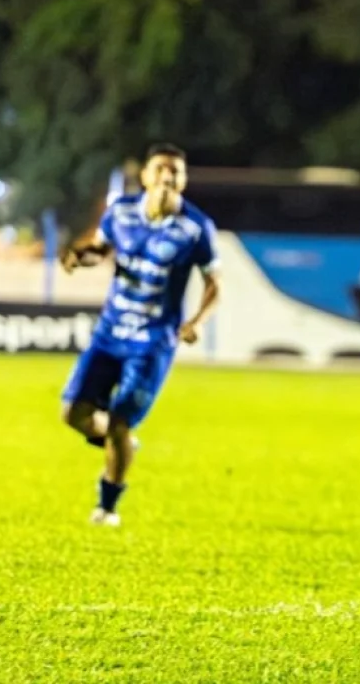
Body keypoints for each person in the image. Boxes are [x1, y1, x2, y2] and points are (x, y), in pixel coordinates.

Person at [60, 143, 221, 527]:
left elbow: (215, 284)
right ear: (146, 176)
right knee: (72, 413)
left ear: (183, 181)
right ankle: (122, 446)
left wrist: (196, 321)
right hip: (110, 333)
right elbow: (100, 249)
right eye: (161, 169)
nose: (168, 177)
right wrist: (80, 255)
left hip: (152, 343)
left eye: (176, 172)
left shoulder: (196, 228)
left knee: (118, 421)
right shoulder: (121, 212)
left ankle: (107, 507)